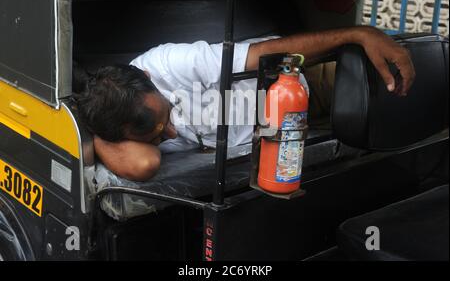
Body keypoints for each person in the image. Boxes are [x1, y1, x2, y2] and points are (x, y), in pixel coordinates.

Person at [74, 26, 415, 182]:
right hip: (284, 130)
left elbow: (261, 57)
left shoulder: (167, 63)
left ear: (147, 77)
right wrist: (93, 129)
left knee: (401, 92)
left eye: (166, 116)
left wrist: (356, 35)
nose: (173, 131)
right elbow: (143, 166)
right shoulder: (118, 124)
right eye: (159, 136)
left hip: (307, 80)